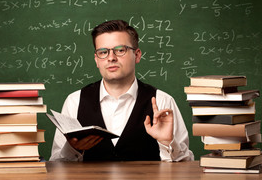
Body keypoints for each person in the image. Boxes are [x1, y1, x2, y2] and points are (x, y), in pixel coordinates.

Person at [50, 20, 194, 162]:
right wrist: (73, 149)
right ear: (96, 60)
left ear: (137, 55)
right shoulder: (75, 101)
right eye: (103, 52)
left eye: (120, 50)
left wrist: (167, 143)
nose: (111, 58)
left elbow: (186, 167)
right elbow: (56, 165)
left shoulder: (162, 101)